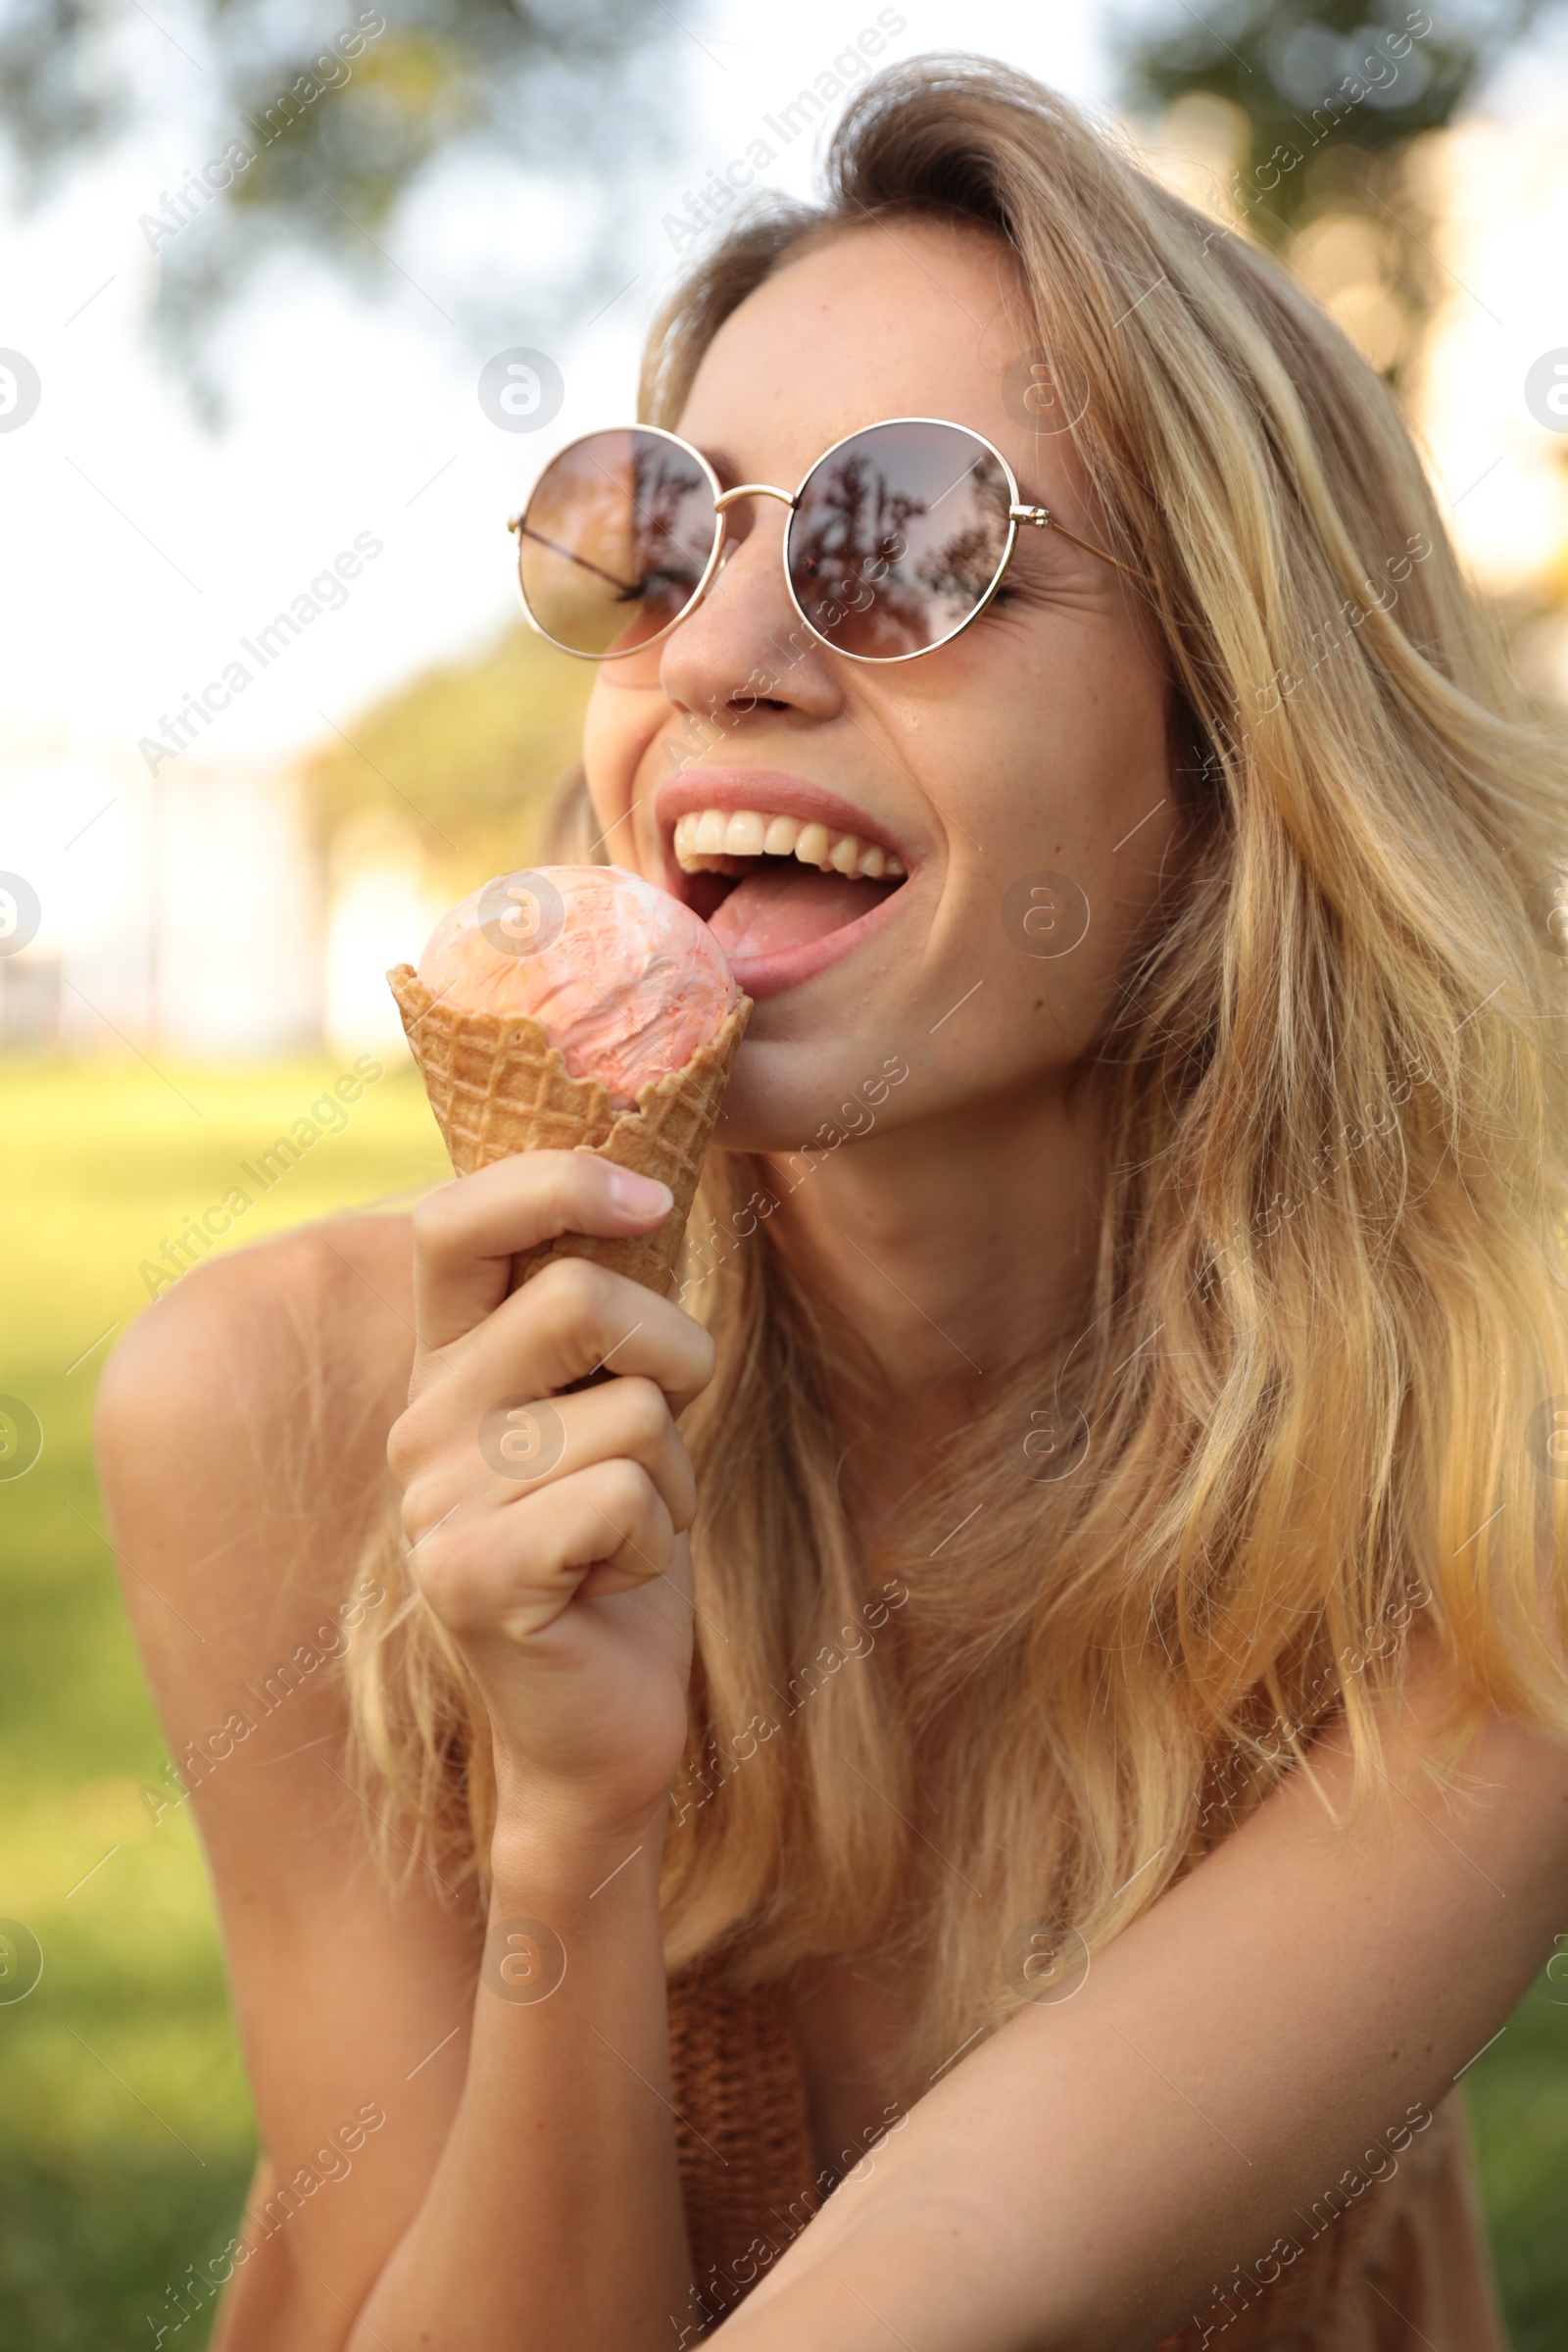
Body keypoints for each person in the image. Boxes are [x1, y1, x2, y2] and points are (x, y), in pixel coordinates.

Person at [97, 53, 1568, 2352]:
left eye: (904, 541)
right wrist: (572, 1836)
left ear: (1228, 743)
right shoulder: (271, 1419)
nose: (714, 656)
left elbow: (936, 2281)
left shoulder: (1476, 1521)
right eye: (665, 535)